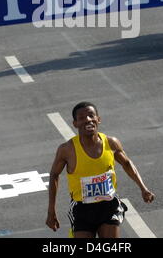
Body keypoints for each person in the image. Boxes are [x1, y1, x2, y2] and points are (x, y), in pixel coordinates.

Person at [45, 102, 155, 238]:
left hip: (109, 205)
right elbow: (54, 175)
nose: (88, 120)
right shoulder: (67, 150)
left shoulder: (111, 143)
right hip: (82, 208)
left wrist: (143, 188)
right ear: (75, 124)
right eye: (82, 118)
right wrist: (51, 211)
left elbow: (127, 163)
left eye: (91, 115)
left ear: (98, 119)